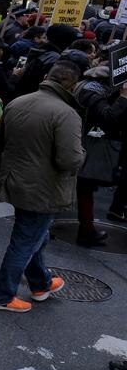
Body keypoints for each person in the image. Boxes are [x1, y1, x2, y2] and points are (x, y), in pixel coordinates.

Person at [0, 61, 85, 312]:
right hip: (43, 187)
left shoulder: (18, 102)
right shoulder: (66, 113)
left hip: (15, 180)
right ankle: (1, 294)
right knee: (26, 239)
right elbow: (69, 159)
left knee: (34, 236)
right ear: (72, 86)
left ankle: (40, 282)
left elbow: (0, 141)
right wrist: (82, 152)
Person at [70, 53, 127, 247]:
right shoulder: (91, 92)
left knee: (83, 189)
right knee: (78, 187)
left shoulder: (93, 89)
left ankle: (87, 229)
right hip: (82, 144)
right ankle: (86, 231)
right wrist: (123, 98)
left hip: (84, 144)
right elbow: (108, 117)